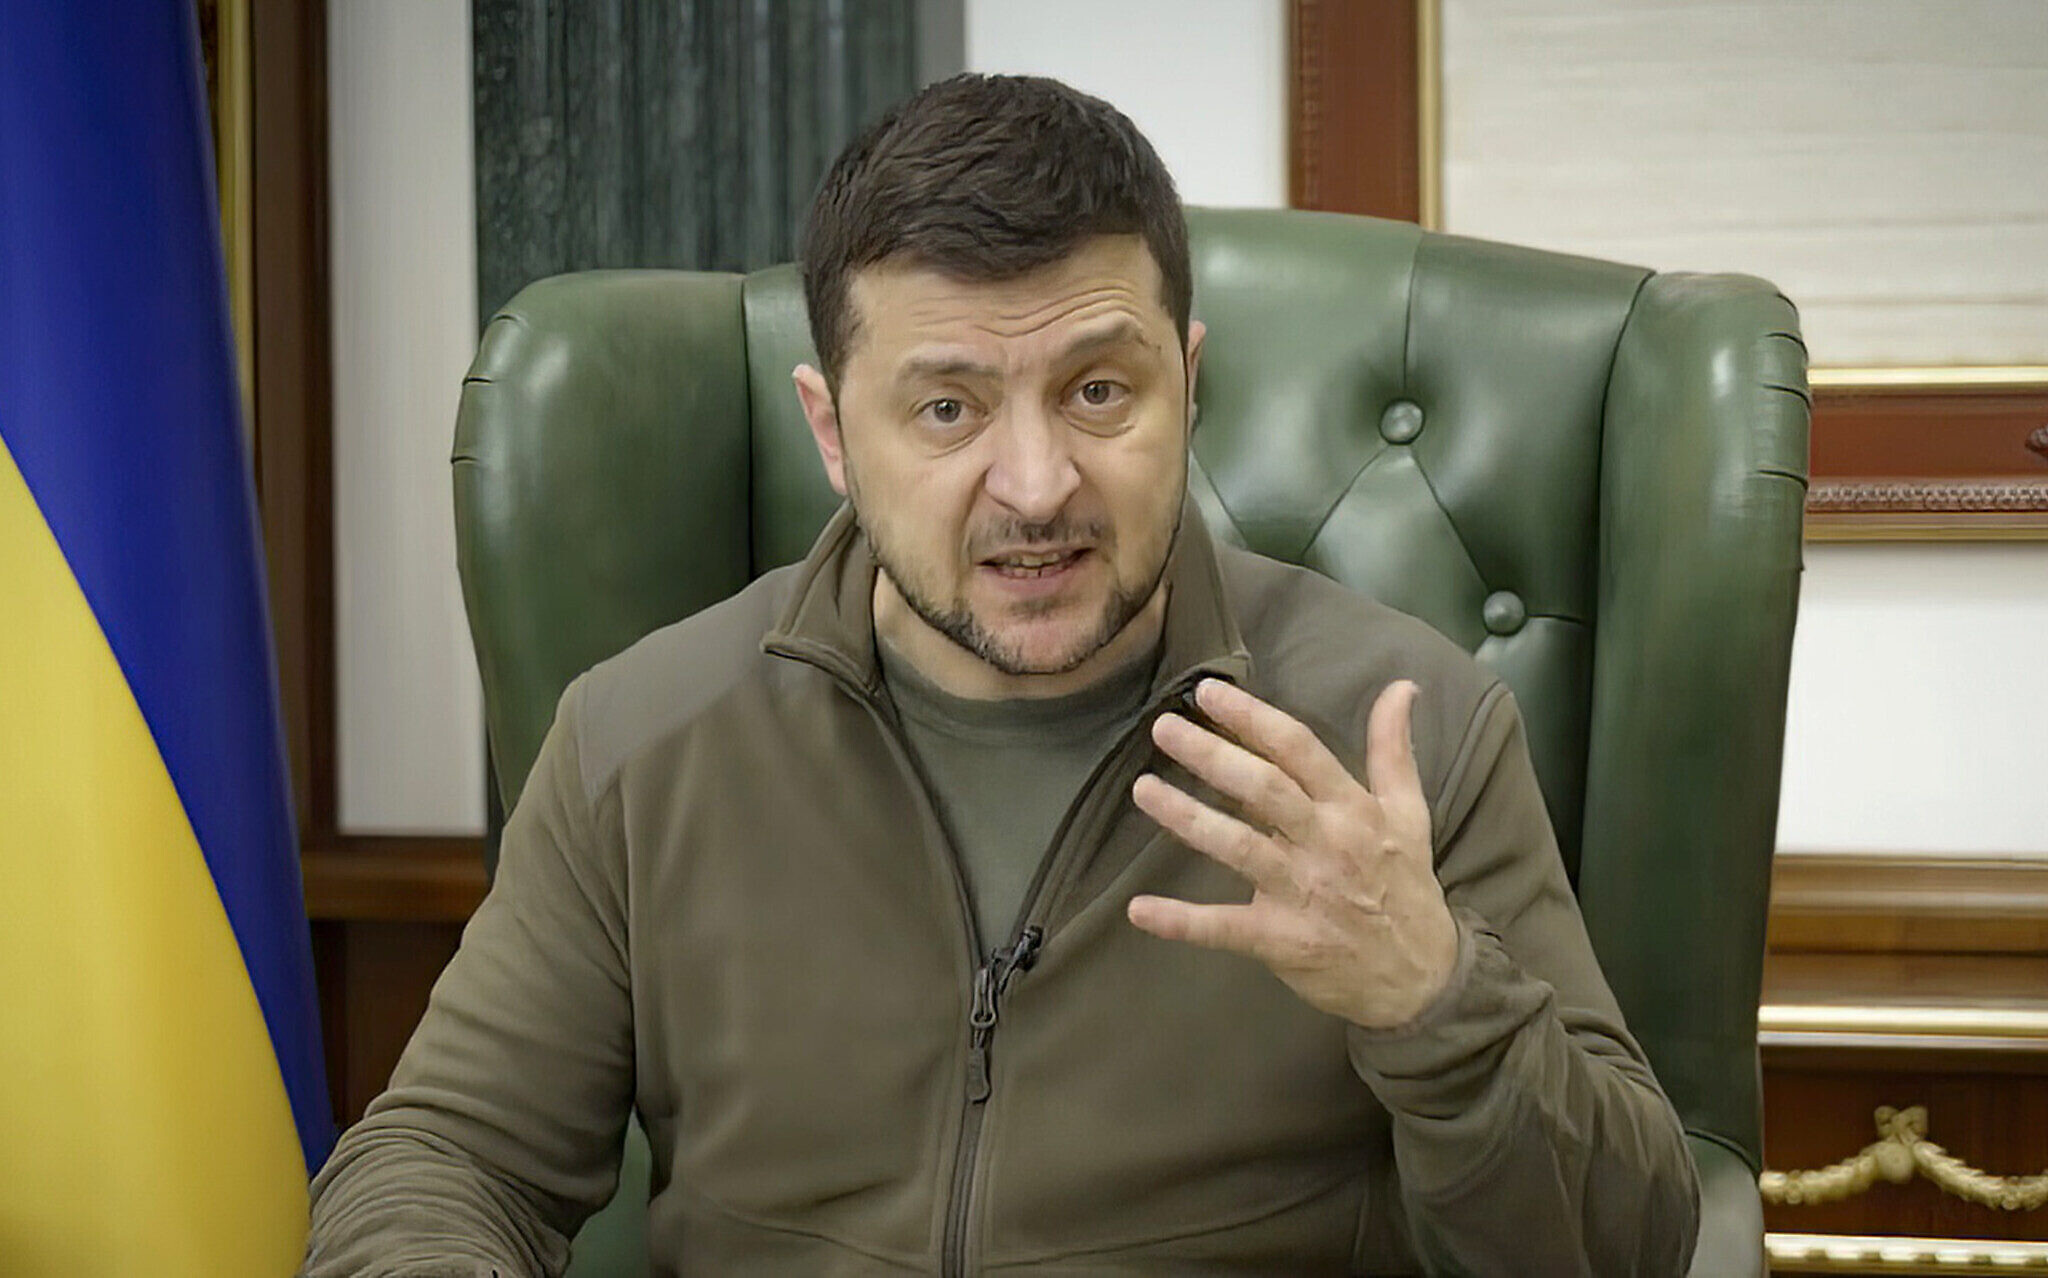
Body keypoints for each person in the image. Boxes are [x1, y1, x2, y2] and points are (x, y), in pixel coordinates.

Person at [304, 73, 1699, 1276]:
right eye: (948, 408)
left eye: (1099, 391)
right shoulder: (642, 735)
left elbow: (1629, 1246)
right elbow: (444, 1155)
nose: (1036, 485)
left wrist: (1434, 999)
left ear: (1188, 386)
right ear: (831, 432)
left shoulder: (1402, 734)